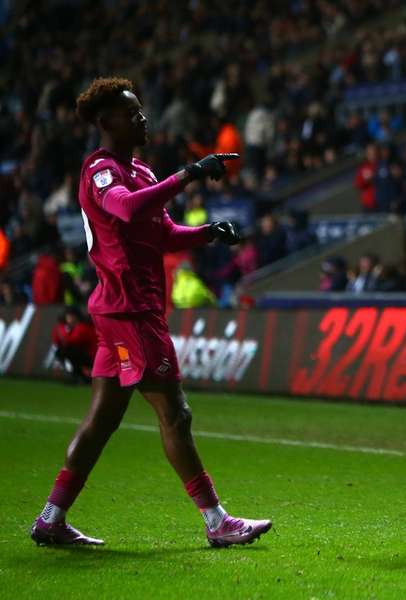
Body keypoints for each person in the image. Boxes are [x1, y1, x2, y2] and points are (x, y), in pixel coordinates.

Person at [30, 77, 271, 547]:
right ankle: (217, 521)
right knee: (175, 414)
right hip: (129, 309)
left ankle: (51, 518)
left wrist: (207, 234)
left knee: (101, 420)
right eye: (132, 112)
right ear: (105, 122)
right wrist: (188, 175)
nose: (143, 118)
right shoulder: (100, 171)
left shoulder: (140, 170)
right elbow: (124, 210)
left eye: (142, 110)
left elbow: (160, 231)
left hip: (129, 308)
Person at [52, 306, 98, 383]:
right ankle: (79, 375)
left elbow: (72, 341)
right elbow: (57, 341)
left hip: (92, 356)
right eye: (68, 316)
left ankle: (79, 375)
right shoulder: (74, 328)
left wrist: (61, 330)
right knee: (63, 352)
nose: (70, 319)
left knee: (65, 352)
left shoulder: (82, 327)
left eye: (71, 316)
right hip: (88, 356)